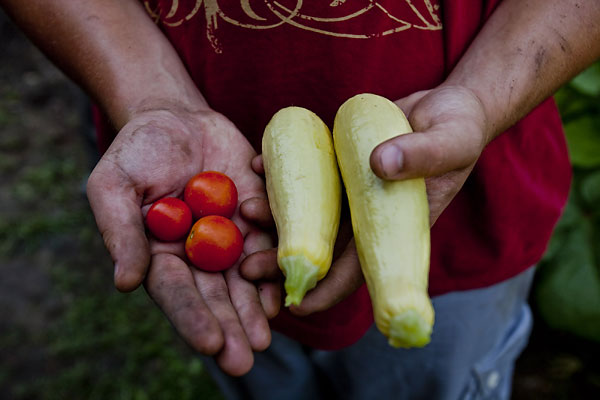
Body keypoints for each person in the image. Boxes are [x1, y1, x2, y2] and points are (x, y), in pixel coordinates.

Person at [2, 0, 599, 398]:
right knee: (264, 374)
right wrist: (148, 96)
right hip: (235, 213)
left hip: (468, 210)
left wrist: (485, 98)